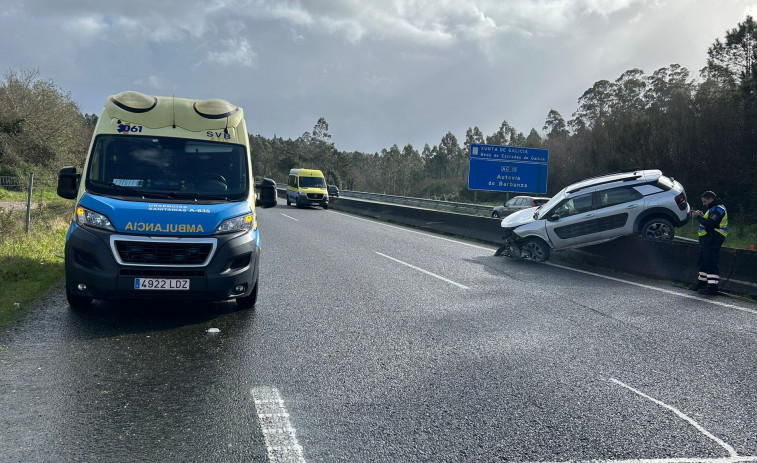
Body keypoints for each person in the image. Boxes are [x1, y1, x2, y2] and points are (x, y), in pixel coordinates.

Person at [688, 191, 728, 295]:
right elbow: (709, 221)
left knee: (711, 262)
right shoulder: (712, 209)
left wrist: (698, 217)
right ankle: (701, 283)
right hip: (708, 239)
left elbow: (711, 224)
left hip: (714, 238)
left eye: (704, 201)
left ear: (711, 199)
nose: (703, 203)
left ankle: (712, 287)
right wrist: (702, 216)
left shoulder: (719, 209)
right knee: (703, 262)